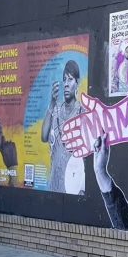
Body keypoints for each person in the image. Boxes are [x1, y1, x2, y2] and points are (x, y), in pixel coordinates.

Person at [41, 60, 84, 193]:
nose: (66, 84)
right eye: (64, 79)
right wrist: (52, 102)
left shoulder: (82, 112)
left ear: (77, 83)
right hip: (54, 186)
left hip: (73, 187)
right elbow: (43, 136)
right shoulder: (55, 109)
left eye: (70, 79)